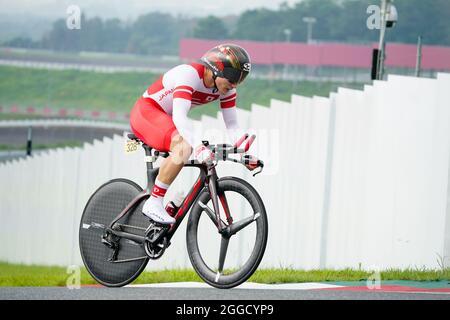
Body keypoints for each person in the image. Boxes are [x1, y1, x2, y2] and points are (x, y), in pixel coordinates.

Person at [130, 43, 256, 225]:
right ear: (216, 68)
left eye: (241, 79)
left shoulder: (226, 87)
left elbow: (232, 125)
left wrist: (244, 155)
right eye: (233, 77)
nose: (234, 84)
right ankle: (154, 202)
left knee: (190, 147)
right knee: (184, 147)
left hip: (166, 119)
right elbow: (180, 118)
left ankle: (168, 206)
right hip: (147, 112)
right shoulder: (189, 74)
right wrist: (198, 146)